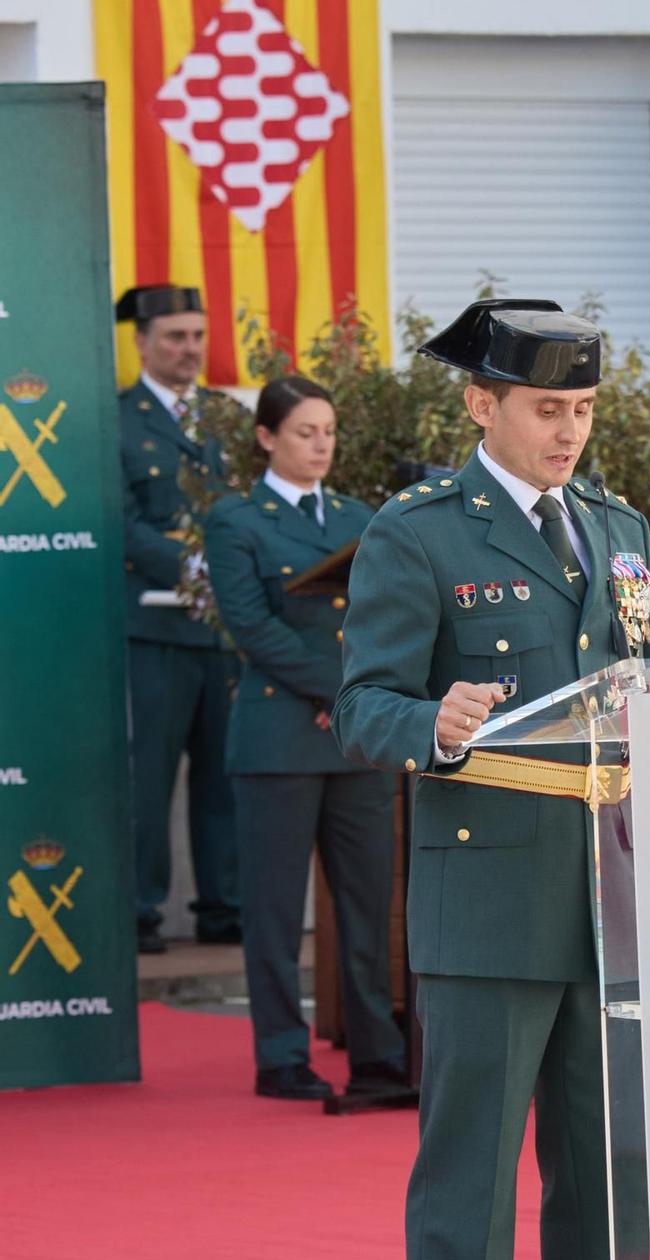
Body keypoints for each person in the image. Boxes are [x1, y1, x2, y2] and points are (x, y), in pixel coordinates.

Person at [332, 299, 650, 1260]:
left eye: (584, 409)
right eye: (547, 409)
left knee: (611, 1172)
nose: (570, 431)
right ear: (483, 406)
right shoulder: (420, 532)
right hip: (487, 901)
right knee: (470, 1179)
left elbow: (647, 679)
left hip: (610, 897)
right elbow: (363, 706)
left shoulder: (617, 528)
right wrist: (433, 722)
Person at [203, 376, 408, 1102]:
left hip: (354, 743)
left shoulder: (358, 516)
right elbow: (251, 627)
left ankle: (378, 1054)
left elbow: (383, 617)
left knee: (367, 904)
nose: (322, 445)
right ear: (266, 437)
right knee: (274, 909)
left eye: (329, 431)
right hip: (280, 737)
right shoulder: (235, 519)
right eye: (304, 432)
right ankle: (281, 1055)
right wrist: (338, 690)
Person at [116, 284, 240, 954]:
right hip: (156, 629)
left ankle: (223, 908)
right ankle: (139, 912)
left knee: (223, 774)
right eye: (174, 336)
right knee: (150, 778)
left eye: (197, 335)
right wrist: (194, 566)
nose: (189, 349)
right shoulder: (118, 419)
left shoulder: (225, 417)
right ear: (141, 342)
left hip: (223, 631)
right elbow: (123, 522)